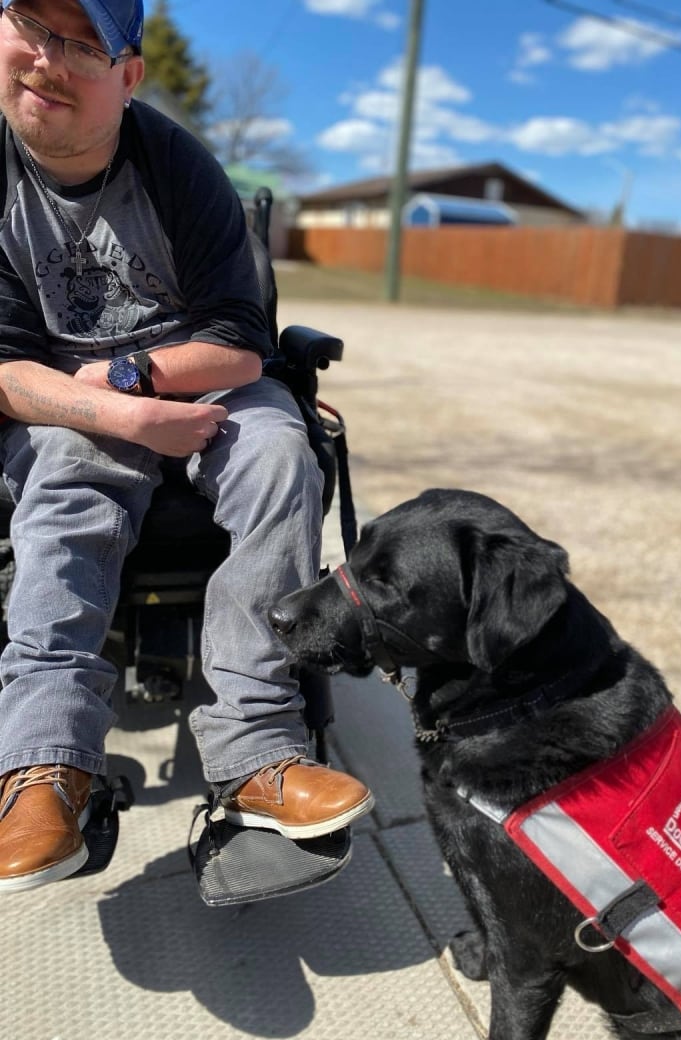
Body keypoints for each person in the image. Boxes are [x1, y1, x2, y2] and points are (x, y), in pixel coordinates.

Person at [0, 0, 373, 893]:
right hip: (70, 405)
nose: (49, 61)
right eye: (32, 26)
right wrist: (116, 418)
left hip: (194, 373)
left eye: (83, 45)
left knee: (283, 455)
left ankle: (256, 753)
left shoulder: (177, 167)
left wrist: (132, 383)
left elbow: (242, 339)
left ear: (128, 77)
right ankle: (45, 762)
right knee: (67, 468)